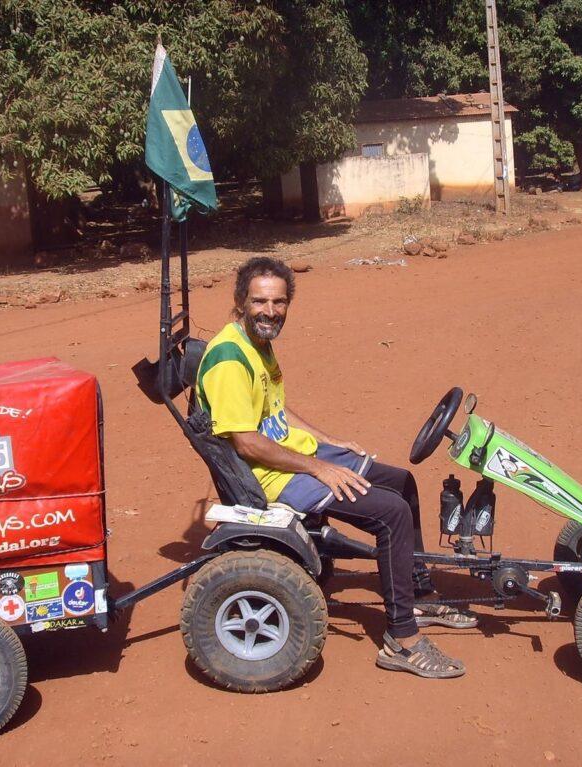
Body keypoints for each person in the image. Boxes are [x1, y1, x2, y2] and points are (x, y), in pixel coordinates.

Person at [196, 256, 476, 678]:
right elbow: (247, 441)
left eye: (279, 302)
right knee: (391, 514)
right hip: (269, 476)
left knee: (402, 483)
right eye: (260, 302)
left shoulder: (257, 343)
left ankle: (416, 592)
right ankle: (402, 639)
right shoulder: (230, 359)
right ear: (239, 301)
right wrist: (317, 468)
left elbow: (275, 410)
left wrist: (326, 441)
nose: (270, 311)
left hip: (293, 458)